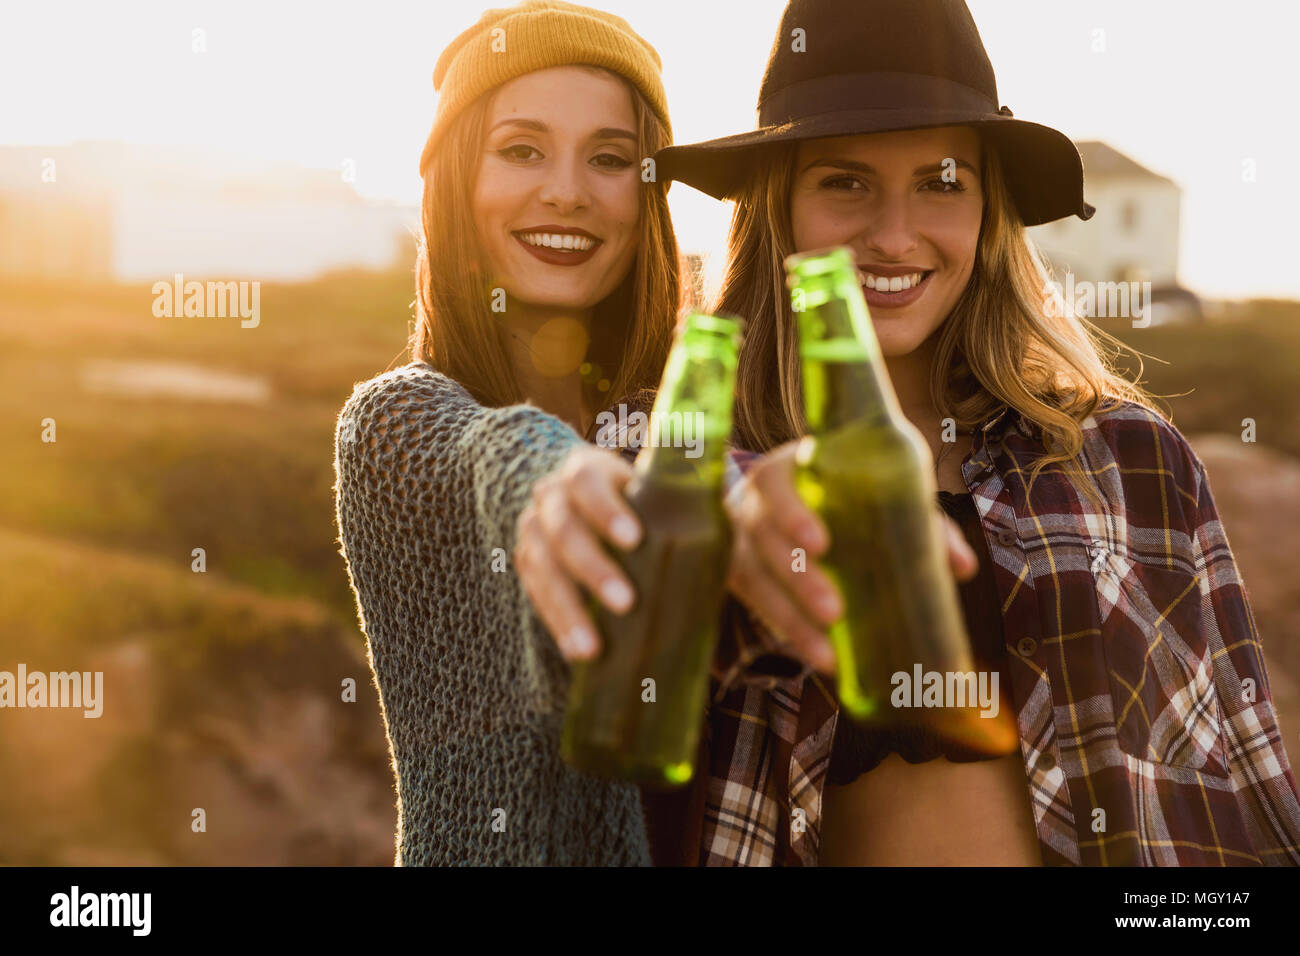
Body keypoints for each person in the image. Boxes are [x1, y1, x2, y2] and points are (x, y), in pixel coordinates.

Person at [521, 0, 1300, 866]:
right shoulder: (679, 459)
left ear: (986, 210)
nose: (893, 237)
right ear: (779, 208)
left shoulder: (1129, 457)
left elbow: (1244, 776)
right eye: (844, 182)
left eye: (941, 182)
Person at [332, 0, 681, 865]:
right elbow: (491, 456)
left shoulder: (688, 420)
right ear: (457, 181)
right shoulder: (394, 426)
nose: (566, 190)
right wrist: (558, 479)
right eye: (521, 149)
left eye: (610, 159)